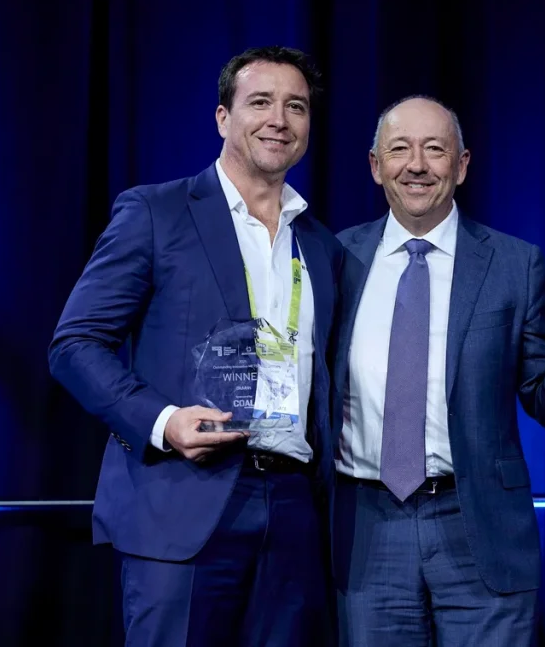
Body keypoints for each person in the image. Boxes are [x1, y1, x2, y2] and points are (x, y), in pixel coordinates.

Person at [48, 46, 342, 647]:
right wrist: (163, 421)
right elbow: (75, 344)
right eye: (260, 102)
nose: (278, 120)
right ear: (222, 118)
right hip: (182, 497)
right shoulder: (156, 212)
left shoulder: (321, 245)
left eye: (296, 107)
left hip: (293, 509)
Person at [331, 95, 545, 646]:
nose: (416, 165)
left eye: (435, 150)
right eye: (400, 150)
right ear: (376, 166)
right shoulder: (335, 258)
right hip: (365, 530)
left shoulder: (514, 264)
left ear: (461, 165)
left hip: (480, 525)